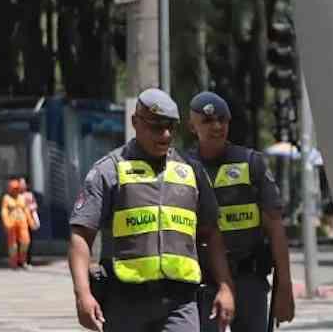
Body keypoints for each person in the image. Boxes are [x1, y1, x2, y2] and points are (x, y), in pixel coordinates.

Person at [68, 88, 236, 332]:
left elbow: (212, 234)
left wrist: (225, 286)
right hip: (125, 303)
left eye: (171, 127)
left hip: (181, 304)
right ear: (135, 122)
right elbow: (80, 236)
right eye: (157, 127)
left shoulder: (191, 171)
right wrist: (82, 294)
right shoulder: (109, 171)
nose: (166, 135)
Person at [187, 91, 295, 332]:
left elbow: (275, 228)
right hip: (204, 284)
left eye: (222, 120)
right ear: (192, 127)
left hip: (250, 282)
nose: (216, 126)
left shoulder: (250, 163)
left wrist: (284, 290)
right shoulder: (182, 168)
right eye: (207, 121)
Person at [1, 178, 33, 269]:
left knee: (25, 242)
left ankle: (23, 261)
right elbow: (4, 211)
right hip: (11, 224)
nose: (16, 190)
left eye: (17, 188)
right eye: (14, 188)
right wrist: (6, 222)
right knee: (13, 245)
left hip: (23, 223)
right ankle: (13, 263)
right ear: (10, 189)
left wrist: (31, 222)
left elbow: (26, 210)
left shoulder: (22, 198)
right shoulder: (6, 198)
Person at [18, 176, 39, 267]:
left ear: (26, 185)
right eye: (20, 183)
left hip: (28, 221)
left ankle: (28, 260)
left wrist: (31, 207)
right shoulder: (16, 195)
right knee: (19, 242)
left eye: (23, 183)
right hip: (19, 221)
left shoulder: (30, 194)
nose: (22, 185)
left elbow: (35, 205)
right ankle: (20, 261)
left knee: (28, 242)